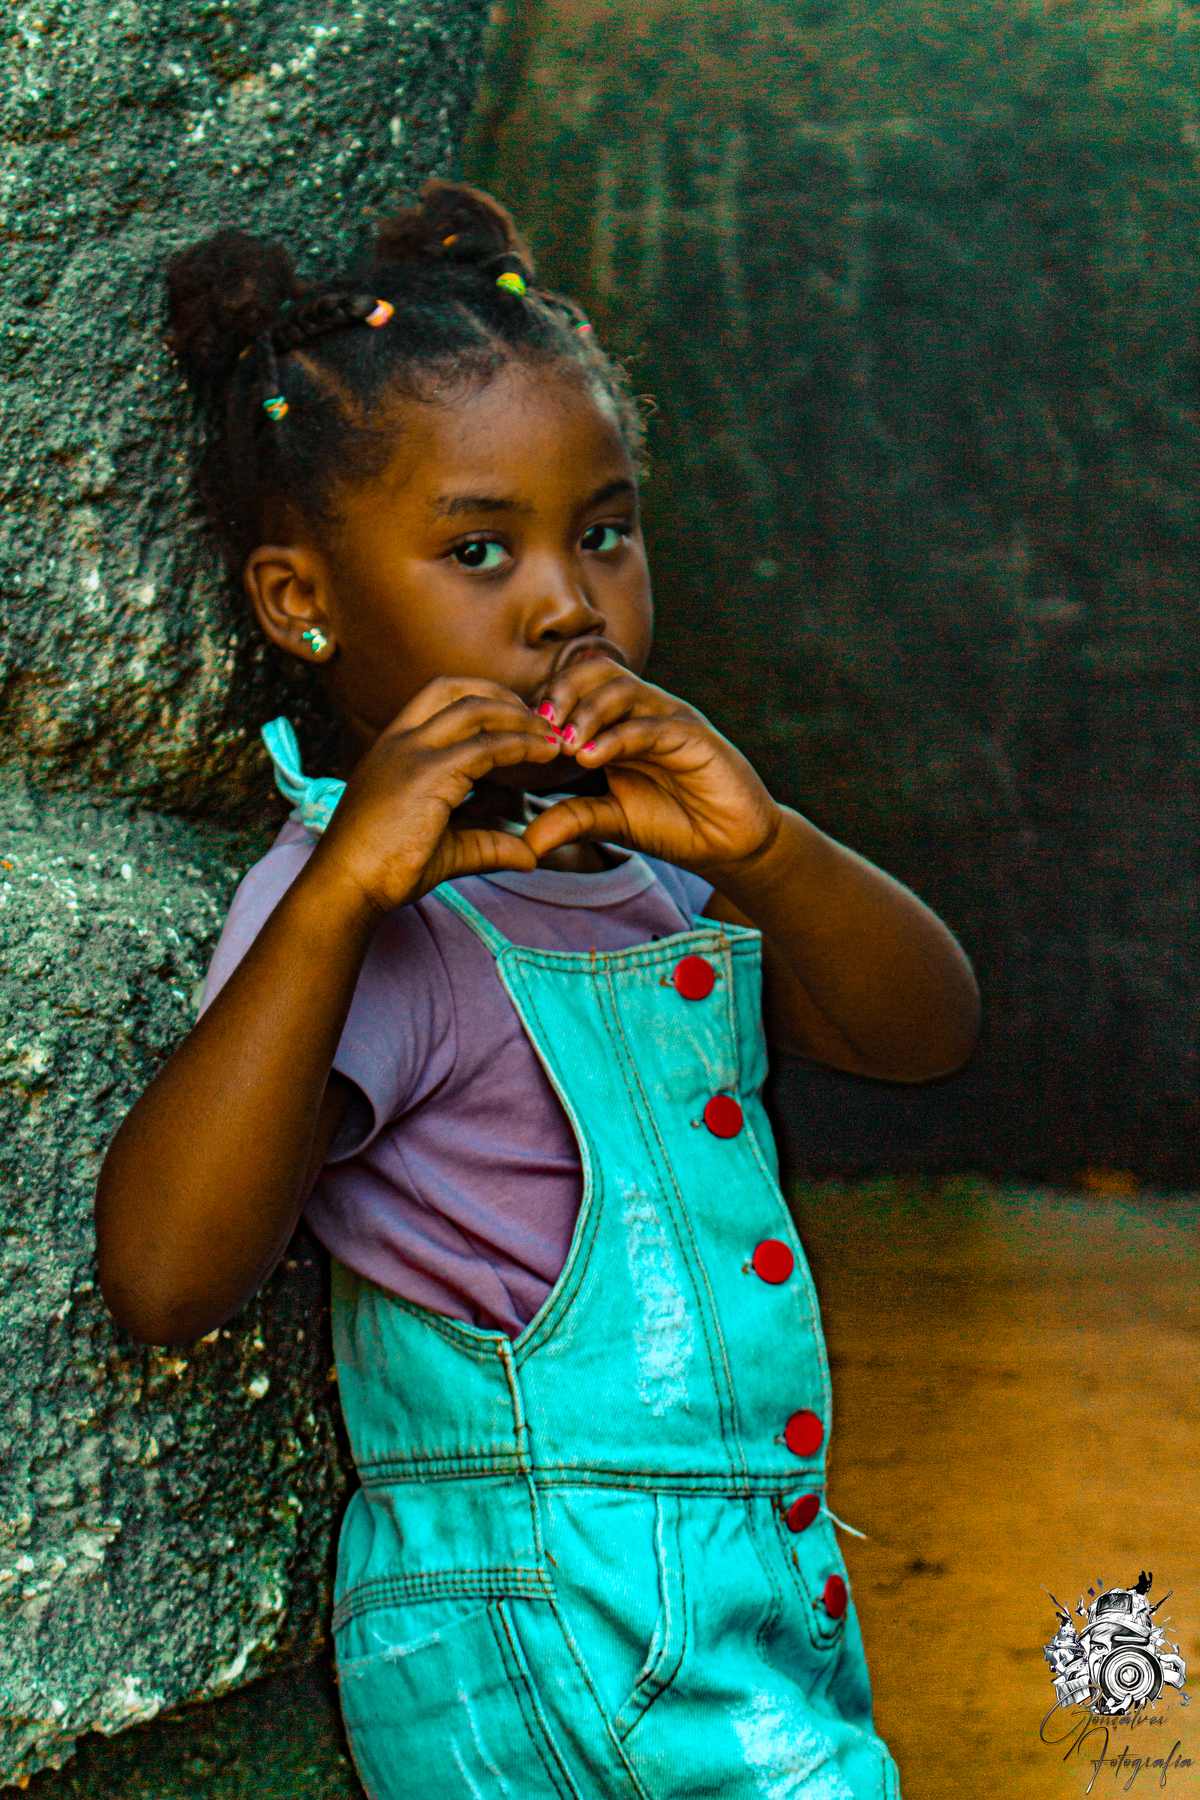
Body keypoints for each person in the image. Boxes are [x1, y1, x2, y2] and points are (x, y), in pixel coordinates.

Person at [96, 179, 979, 1800]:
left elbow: (926, 1032)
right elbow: (162, 1276)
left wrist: (768, 849)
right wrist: (338, 898)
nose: (568, 601)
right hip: (554, 1629)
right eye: (479, 551)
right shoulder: (365, 916)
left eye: (606, 532)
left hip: (735, 1606)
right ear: (302, 602)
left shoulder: (637, 858)